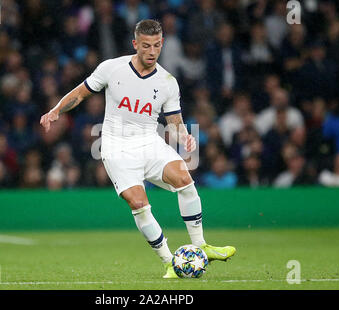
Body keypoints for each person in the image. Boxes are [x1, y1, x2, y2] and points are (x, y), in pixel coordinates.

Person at [40, 19, 236, 278]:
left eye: (156, 45)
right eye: (146, 46)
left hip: (149, 140)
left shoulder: (168, 81)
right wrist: (56, 110)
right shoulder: (112, 68)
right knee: (139, 203)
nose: (152, 51)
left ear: (162, 44)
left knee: (184, 180)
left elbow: (174, 120)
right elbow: (81, 92)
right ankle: (169, 262)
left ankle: (201, 246)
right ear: (135, 44)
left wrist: (184, 136)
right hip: (116, 147)